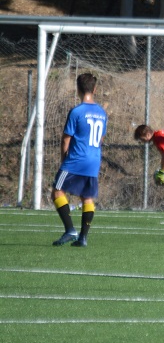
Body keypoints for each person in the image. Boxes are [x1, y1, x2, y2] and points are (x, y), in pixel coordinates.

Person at [50, 73, 107, 247]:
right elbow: (100, 139)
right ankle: (83, 238)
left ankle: (70, 230)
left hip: (76, 159)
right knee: (87, 197)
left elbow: (65, 139)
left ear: (78, 89)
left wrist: (64, 159)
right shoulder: (102, 113)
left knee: (57, 191)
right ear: (94, 89)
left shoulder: (77, 112)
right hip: (94, 160)